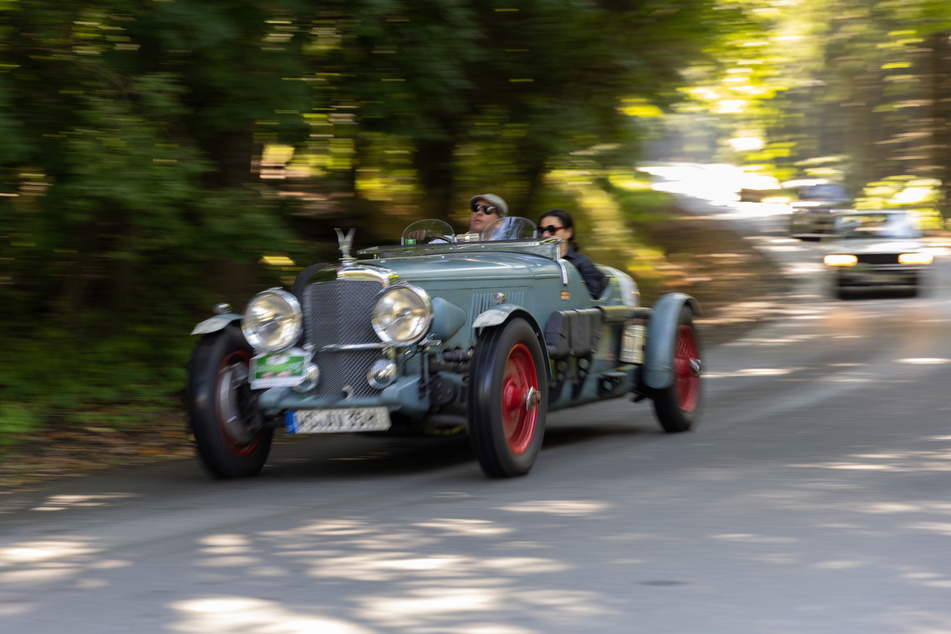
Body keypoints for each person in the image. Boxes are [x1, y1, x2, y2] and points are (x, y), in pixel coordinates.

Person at [538, 208, 608, 298]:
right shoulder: (536, 262)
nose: (545, 235)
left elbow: (590, 299)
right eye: (541, 230)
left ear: (569, 232)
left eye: (552, 229)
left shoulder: (582, 263)